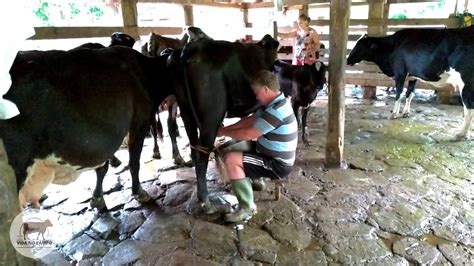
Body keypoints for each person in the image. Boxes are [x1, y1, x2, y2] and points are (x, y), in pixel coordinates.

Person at [217, 70, 298, 222]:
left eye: (256, 92)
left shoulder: (276, 111)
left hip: (277, 164)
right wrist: (224, 131)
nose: (256, 96)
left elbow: (249, 133)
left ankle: (247, 207)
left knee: (231, 159)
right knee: (233, 145)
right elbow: (250, 120)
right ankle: (254, 180)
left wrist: (223, 131)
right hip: (268, 152)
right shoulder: (276, 103)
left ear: (266, 89)